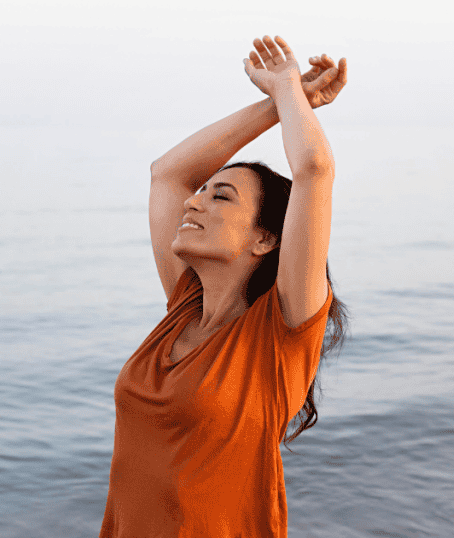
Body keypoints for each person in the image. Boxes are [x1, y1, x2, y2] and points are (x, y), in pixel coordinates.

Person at [99, 35, 349, 537]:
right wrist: (276, 103)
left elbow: (314, 170)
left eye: (222, 197)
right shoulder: (183, 309)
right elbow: (168, 174)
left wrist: (288, 90)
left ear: (263, 239)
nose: (194, 203)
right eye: (203, 192)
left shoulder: (280, 333)